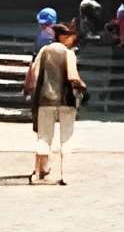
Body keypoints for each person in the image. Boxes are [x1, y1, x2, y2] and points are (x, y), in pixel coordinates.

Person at [26, 19, 87, 184]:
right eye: (72, 36)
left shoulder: (44, 51)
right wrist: (83, 86)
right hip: (66, 100)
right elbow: (73, 77)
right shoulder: (68, 53)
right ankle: (65, 175)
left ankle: (38, 172)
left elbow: (34, 72)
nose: (74, 40)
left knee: (44, 136)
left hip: (44, 99)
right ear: (64, 37)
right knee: (66, 137)